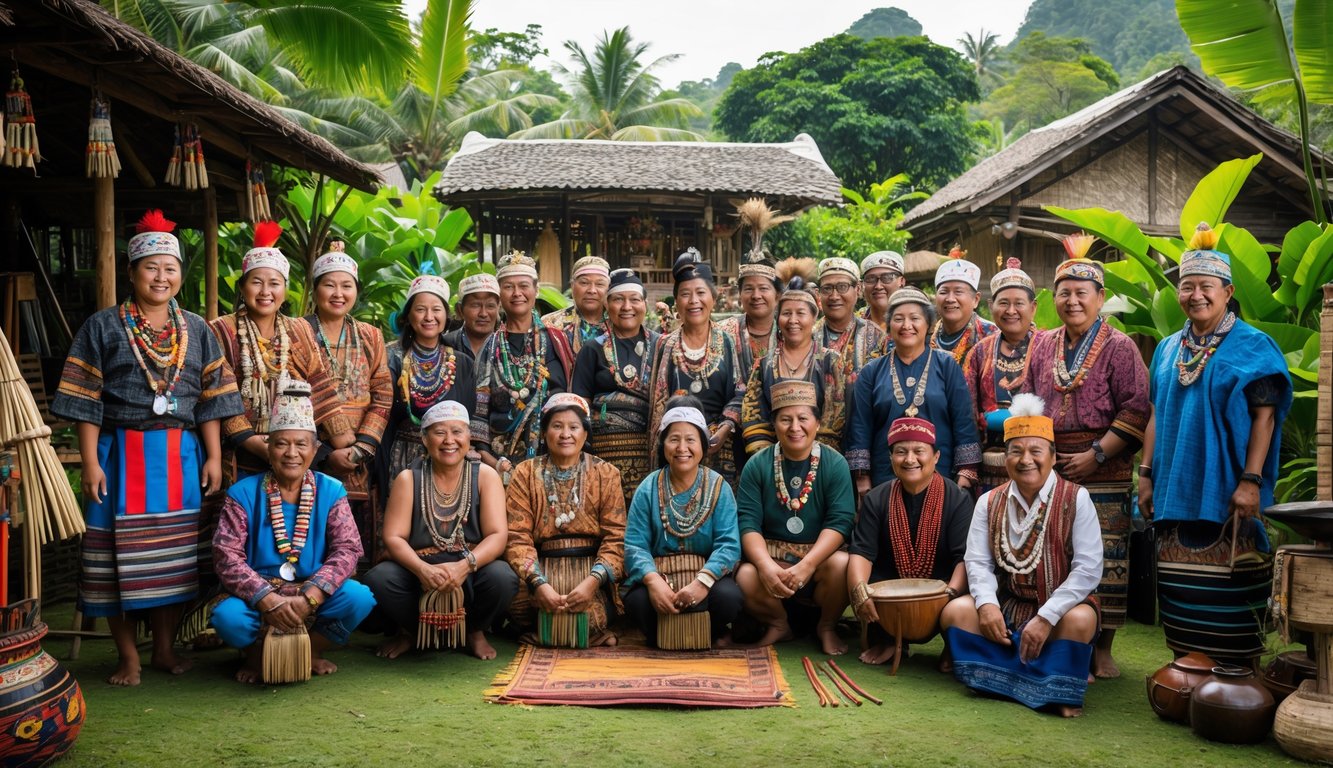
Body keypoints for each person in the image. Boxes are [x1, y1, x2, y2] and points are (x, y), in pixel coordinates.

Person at [52, 210, 244, 686]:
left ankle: (162, 649)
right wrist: (92, 462)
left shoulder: (198, 329)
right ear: (133, 272)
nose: (161, 277)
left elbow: (214, 400)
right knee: (114, 560)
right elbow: (84, 399)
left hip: (181, 457)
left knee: (174, 561)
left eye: (170, 268)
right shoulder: (102, 327)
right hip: (120, 457)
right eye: (151, 268)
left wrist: (215, 456)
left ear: (181, 274)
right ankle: (128, 658)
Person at [1140, 223, 1291, 666]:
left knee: (1230, 582)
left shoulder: (1252, 345)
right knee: (1178, 580)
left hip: (1226, 482)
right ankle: (1185, 672)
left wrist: (1251, 481)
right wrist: (1145, 475)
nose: (1196, 295)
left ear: (1227, 292)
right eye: (1187, 287)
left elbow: (1264, 417)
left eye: (1207, 287)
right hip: (1172, 485)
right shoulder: (1168, 348)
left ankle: (1235, 673)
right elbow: (1153, 413)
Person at [1027, 234, 1149, 679]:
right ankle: (1060, 635)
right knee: (1054, 550)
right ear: (1054, 298)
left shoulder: (1121, 347)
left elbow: (1136, 408)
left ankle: (1103, 646)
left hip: (1106, 466)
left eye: (1082, 293)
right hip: (1052, 466)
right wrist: (1044, 455)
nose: (1073, 301)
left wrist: (1096, 455)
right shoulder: (1042, 344)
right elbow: (1029, 399)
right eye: (1064, 293)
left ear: (1100, 298)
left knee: (1107, 555)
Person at [940, 394, 1102, 718]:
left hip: (1060, 614)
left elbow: (1088, 569)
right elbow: (977, 562)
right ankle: (1051, 681)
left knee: (1082, 619)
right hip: (1009, 610)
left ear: (1053, 456)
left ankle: (1000, 679)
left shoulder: (1077, 498)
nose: (1026, 459)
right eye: (1016, 451)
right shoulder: (988, 501)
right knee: (955, 612)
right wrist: (986, 606)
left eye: (1035, 450)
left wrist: (1046, 617)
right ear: (1005, 457)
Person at [210, 383, 376, 682]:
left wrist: (309, 596)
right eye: (281, 444)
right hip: (260, 595)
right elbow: (226, 557)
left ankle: (310, 651)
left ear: (314, 450)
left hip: (312, 591)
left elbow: (348, 550)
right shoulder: (242, 493)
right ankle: (256, 655)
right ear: (268, 448)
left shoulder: (331, 490)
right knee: (228, 618)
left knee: (359, 598)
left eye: (301, 444)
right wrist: (266, 599)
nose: (291, 453)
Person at [362, 401, 517, 660]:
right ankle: (412, 633)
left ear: (469, 437)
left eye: (457, 432)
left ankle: (473, 631)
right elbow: (393, 537)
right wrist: (423, 570)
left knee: (503, 578)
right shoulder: (408, 479)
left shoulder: (485, 476)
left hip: (470, 568)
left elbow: (497, 535)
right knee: (379, 579)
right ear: (424, 438)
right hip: (419, 571)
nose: (449, 441)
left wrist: (464, 566)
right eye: (439, 432)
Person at [210, 222, 352, 483]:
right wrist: (254, 443)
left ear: (284, 291)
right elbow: (220, 396)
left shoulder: (298, 329)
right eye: (256, 282)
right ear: (242, 287)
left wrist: (345, 442)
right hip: (240, 453)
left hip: (293, 454)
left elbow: (319, 384)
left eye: (274, 283)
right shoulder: (221, 330)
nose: (266, 292)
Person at [736, 380, 856, 655]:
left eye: (803, 418)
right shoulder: (758, 464)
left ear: (816, 423)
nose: (794, 428)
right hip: (773, 567)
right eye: (785, 419)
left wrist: (808, 565)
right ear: (774, 424)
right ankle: (779, 624)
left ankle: (826, 626)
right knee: (745, 575)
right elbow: (748, 522)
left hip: (819, 566)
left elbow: (840, 521)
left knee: (842, 564)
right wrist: (765, 566)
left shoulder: (834, 463)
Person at [504, 394, 626, 646]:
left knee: (598, 616)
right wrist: (538, 584)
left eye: (573, 427)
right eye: (557, 426)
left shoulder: (606, 473)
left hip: (591, 572)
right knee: (516, 608)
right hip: (542, 567)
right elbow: (517, 537)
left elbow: (617, 538)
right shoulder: (524, 473)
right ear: (545, 431)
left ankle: (579, 630)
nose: (565, 434)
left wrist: (592, 583)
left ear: (585, 433)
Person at [848, 417, 971, 668]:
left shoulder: (957, 499)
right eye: (901, 452)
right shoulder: (877, 499)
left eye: (919, 451)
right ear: (891, 458)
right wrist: (859, 591)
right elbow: (862, 553)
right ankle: (889, 641)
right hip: (889, 596)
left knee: (964, 599)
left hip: (943, 593)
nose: (910, 459)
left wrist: (948, 595)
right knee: (864, 581)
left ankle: (953, 644)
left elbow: (965, 558)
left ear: (936, 457)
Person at [622, 397, 743, 647]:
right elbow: (635, 546)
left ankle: (706, 633)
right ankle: (665, 634)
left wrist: (702, 583)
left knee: (730, 598)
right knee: (637, 602)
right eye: (674, 439)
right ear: (663, 444)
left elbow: (729, 545)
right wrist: (654, 582)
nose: (682, 447)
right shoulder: (648, 488)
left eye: (690, 439)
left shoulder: (719, 487)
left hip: (705, 584)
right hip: (659, 581)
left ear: (703, 444)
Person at [303, 241, 393, 565]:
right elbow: (290, 395)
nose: (338, 293)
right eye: (329, 284)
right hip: (311, 457)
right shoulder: (300, 332)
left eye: (346, 285)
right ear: (315, 290)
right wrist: (326, 454)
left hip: (360, 461)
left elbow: (383, 393)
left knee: (357, 543)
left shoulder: (371, 335)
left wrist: (359, 450)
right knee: (312, 540)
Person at [847, 287, 981, 494]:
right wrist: (862, 478)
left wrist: (965, 473)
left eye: (915, 318)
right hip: (885, 478)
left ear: (928, 324)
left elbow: (963, 420)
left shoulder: (946, 365)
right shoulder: (871, 372)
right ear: (889, 325)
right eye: (898, 319)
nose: (906, 326)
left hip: (941, 475)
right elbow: (860, 426)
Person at [379, 275, 477, 553]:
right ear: (408, 315)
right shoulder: (392, 358)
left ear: (446, 316)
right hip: (403, 455)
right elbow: (384, 414)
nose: (429, 317)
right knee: (404, 527)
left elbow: (468, 415)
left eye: (436, 310)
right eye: (421, 309)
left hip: (450, 457)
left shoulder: (463, 362)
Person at [473, 250, 575, 481]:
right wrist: (495, 464)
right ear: (499, 294)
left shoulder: (556, 340)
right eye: (508, 287)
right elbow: (479, 414)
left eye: (524, 286)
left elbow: (572, 402)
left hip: (553, 458)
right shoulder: (490, 347)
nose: (517, 293)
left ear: (536, 290)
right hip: (501, 465)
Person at [648, 249, 745, 486]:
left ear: (713, 298)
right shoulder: (666, 345)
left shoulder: (727, 341)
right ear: (677, 301)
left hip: (718, 444)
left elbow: (740, 391)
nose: (694, 301)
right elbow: (658, 405)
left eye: (701, 293)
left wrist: (725, 428)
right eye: (685, 294)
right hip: (678, 449)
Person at [571, 268, 662, 509]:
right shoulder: (593, 349)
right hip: (604, 453)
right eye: (618, 299)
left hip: (649, 453)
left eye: (634, 299)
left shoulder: (661, 345)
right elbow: (580, 407)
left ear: (645, 304)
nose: (626, 307)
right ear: (607, 305)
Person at [740, 260, 847, 454]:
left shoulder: (830, 361)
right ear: (778, 317)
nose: (793, 320)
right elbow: (753, 414)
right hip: (771, 459)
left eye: (801, 313)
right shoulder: (764, 363)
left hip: (819, 457)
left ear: (814, 317)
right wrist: (767, 458)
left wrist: (809, 456)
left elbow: (835, 415)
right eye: (786, 313)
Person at [963, 258, 1038, 492]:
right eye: (1003, 303)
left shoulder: (1049, 346)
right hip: (990, 467)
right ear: (990, 305)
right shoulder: (979, 351)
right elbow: (967, 411)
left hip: (1038, 463)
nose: (1011, 311)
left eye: (1019, 303)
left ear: (1033, 307)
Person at [814, 257, 886, 387]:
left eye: (842, 287)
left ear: (858, 289)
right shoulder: (808, 336)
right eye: (827, 288)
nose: (834, 296)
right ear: (819, 294)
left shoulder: (878, 337)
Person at [930, 251, 998, 366]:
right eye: (943, 292)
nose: (950, 299)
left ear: (975, 300)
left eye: (958, 292)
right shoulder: (926, 333)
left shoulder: (991, 335)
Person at [542, 255, 610, 355]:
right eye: (584, 283)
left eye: (600, 284)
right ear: (572, 286)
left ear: (608, 289)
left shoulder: (619, 324)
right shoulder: (551, 324)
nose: (592, 290)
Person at [442, 273, 501, 359]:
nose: (483, 314)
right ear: (460, 310)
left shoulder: (507, 346)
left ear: (498, 308)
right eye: (475, 305)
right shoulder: (445, 344)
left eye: (490, 306)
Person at [857, 251, 905, 333]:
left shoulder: (915, 322)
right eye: (871, 279)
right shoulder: (852, 324)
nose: (878, 286)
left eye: (887, 278)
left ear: (901, 281)